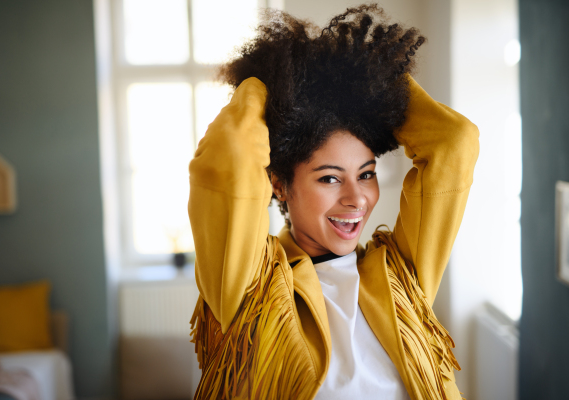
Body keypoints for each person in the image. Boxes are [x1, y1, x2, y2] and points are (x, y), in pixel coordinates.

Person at [188, 4, 479, 400]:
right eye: (329, 178)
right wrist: (263, 83)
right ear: (279, 184)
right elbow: (234, 156)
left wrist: (372, 88)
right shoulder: (251, 289)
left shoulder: (401, 277)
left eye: (366, 173)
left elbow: (454, 142)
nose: (357, 197)